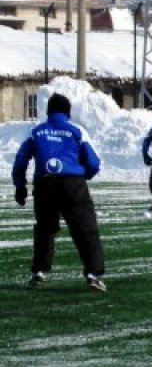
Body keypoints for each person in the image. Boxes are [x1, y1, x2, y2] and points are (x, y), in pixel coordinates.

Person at [11, 93, 107, 292]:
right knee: (85, 229)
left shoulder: (36, 131)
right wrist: (83, 176)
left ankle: (38, 272)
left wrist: (20, 186)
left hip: (45, 184)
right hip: (73, 184)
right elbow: (94, 162)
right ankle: (93, 274)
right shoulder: (77, 130)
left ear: (48, 112)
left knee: (45, 229)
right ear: (67, 112)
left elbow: (21, 159)